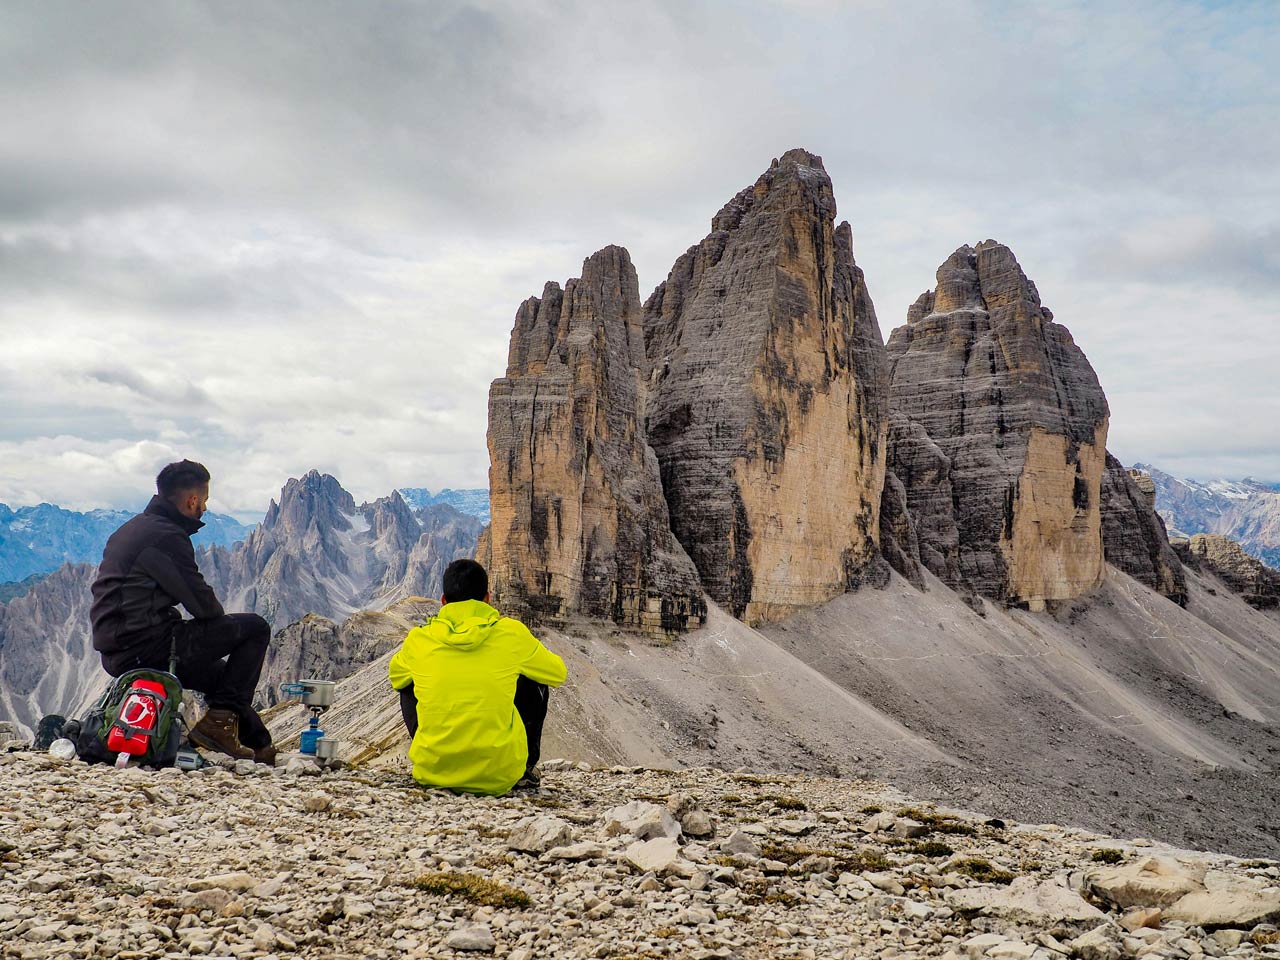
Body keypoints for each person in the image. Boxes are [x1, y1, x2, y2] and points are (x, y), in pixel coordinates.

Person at [90, 459, 276, 764]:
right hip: (146, 645)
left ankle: (261, 748)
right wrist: (214, 622)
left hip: (118, 649)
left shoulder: (133, 529)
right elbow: (204, 606)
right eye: (203, 501)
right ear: (192, 500)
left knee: (222, 679)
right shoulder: (166, 536)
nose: (203, 508)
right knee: (255, 628)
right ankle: (219, 726)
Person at [389, 558, 566, 795]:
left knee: (406, 680)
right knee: (535, 677)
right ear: (487, 598)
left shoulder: (418, 639)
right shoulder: (512, 633)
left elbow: (395, 677)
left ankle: (438, 757)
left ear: (443, 601)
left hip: (432, 774)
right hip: (500, 777)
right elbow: (558, 673)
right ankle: (525, 771)